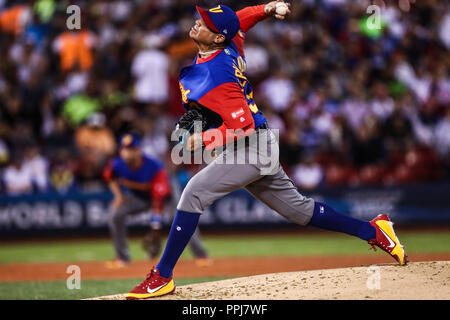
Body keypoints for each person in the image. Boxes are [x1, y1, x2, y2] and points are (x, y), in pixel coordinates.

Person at [126, 2, 408, 300]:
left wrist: (206, 138)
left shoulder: (218, 75)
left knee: (193, 193)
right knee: (299, 211)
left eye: (206, 22)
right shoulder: (229, 42)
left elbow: (243, 125)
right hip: (256, 144)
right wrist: (269, 7)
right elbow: (241, 20)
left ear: (218, 37)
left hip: (251, 146)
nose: (198, 22)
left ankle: (162, 276)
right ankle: (375, 231)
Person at [103, 133, 171, 268]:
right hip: (140, 198)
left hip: (166, 197)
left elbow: (159, 197)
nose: (127, 152)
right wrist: (118, 196)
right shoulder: (117, 164)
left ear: (138, 150)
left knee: (184, 217)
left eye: (131, 149)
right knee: (116, 214)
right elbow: (109, 177)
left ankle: (201, 255)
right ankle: (123, 258)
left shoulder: (153, 166)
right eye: (124, 149)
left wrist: (155, 226)